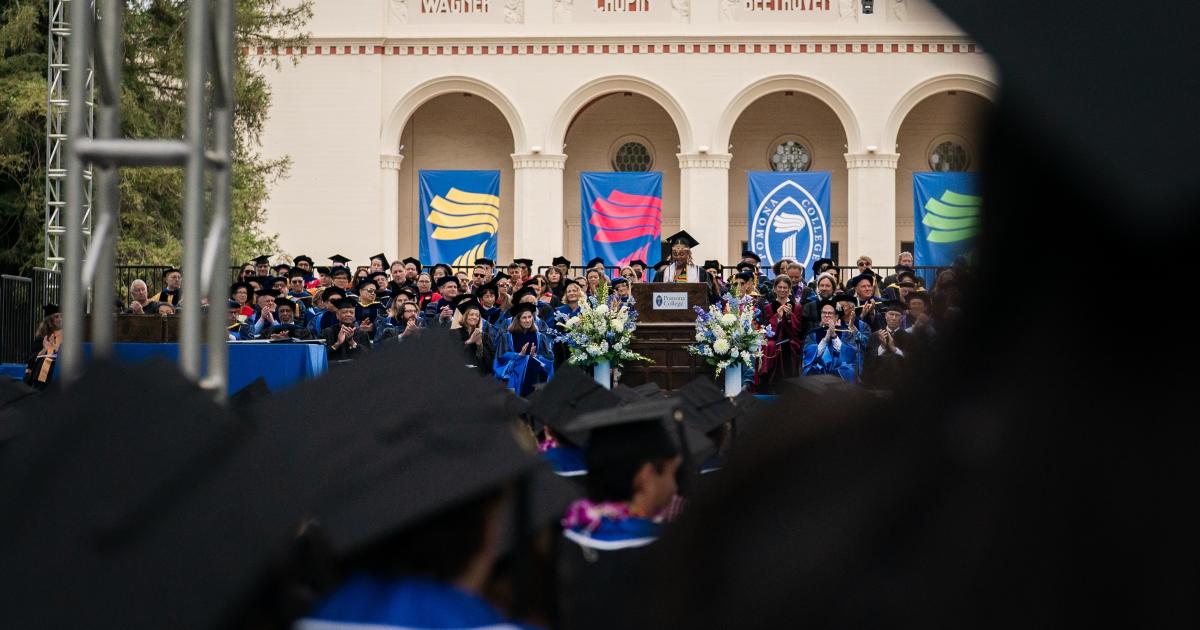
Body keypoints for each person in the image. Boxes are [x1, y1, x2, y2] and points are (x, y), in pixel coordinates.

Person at [557, 399, 684, 630]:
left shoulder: (560, 543)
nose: (674, 487)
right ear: (645, 476)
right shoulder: (671, 554)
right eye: (671, 473)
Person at [493, 303, 554, 396]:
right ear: (518, 320)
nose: (527, 320)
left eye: (530, 317)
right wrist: (518, 355)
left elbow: (549, 358)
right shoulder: (507, 337)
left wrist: (535, 356)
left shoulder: (540, 337)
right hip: (515, 378)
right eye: (524, 318)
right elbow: (500, 358)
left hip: (536, 377)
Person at [801, 296, 863, 383]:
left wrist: (834, 336)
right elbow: (809, 357)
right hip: (818, 368)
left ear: (836, 316)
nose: (826, 315)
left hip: (839, 368)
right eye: (824, 313)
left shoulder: (846, 332)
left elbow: (849, 356)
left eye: (830, 313)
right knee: (809, 370)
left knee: (849, 371)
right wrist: (825, 339)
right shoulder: (813, 334)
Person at [757, 276, 802, 390]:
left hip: (790, 339)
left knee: (787, 346)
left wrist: (789, 315)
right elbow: (767, 329)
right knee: (770, 346)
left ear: (789, 289)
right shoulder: (768, 307)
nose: (782, 290)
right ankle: (769, 384)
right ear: (775, 289)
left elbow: (797, 329)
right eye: (780, 287)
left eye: (785, 287)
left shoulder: (796, 307)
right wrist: (777, 317)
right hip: (774, 338)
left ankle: (789, 386)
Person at [862, 300, 910, 390]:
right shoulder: (875, 336)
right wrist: (883, 347)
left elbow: (911, 362)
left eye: (897, 315)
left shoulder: (908, 337)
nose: (893, 318)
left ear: (902, 318)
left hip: (901, 385)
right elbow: (868, 362)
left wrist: (894, 349)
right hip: (878, 384)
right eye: (891, 314)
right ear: (885, 316)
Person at [23, 304, 62, 390]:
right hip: (41, 377)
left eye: (61, 316)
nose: (60, 319)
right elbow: (31, 360)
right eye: (56, 317)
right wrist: (45, 349)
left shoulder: (63, 335)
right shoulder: (42, 337)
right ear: (49, 320)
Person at [451, 299, 494, 375]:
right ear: (465, 316)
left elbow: (489, 363)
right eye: (471, 314)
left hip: (479, 374)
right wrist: (469, 341)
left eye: (477, 315)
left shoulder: (484, 336)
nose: (474, 317)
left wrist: (480, 345)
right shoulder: (454, 333)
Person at [322, 297, 371, 361]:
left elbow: (368, 356)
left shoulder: (361, 333)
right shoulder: (327, 332)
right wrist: (337, 344)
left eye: (351, 312)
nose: (348, 315)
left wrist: (352, 342)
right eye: (344, 312)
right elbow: (321, 356)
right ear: (337, 315)